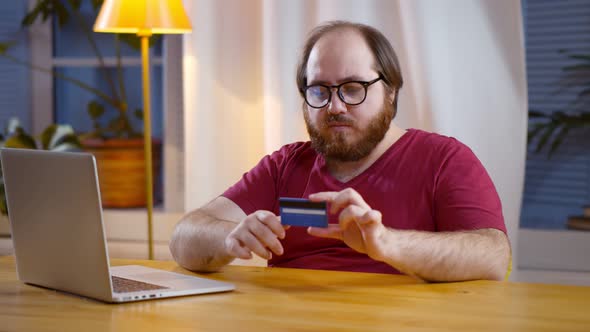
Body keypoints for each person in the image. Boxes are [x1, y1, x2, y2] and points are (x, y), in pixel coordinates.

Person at [170, 20, 511, 282]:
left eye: (352, 88)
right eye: (319, 90)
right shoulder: (285, 165)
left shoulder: (444, 160)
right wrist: (228, 237)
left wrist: (388, 244)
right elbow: (183, 239)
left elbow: (493, 257)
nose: (335, 106)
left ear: (390, 91)